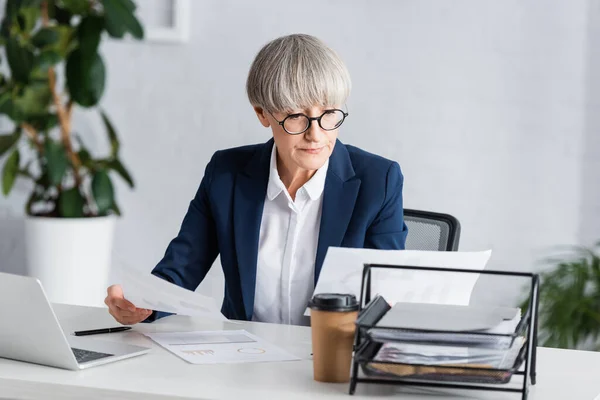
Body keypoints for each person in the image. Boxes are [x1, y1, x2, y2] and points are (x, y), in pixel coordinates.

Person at [105, 33, 408, 326]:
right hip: (246, 359)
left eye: (329, 113)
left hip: (329, 360)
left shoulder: (378, 182)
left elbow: (385, 293)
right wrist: (142, 304)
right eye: (296, 116)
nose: (315, 134)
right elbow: (181, 269)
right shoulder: (227, 175)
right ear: (263, 114)